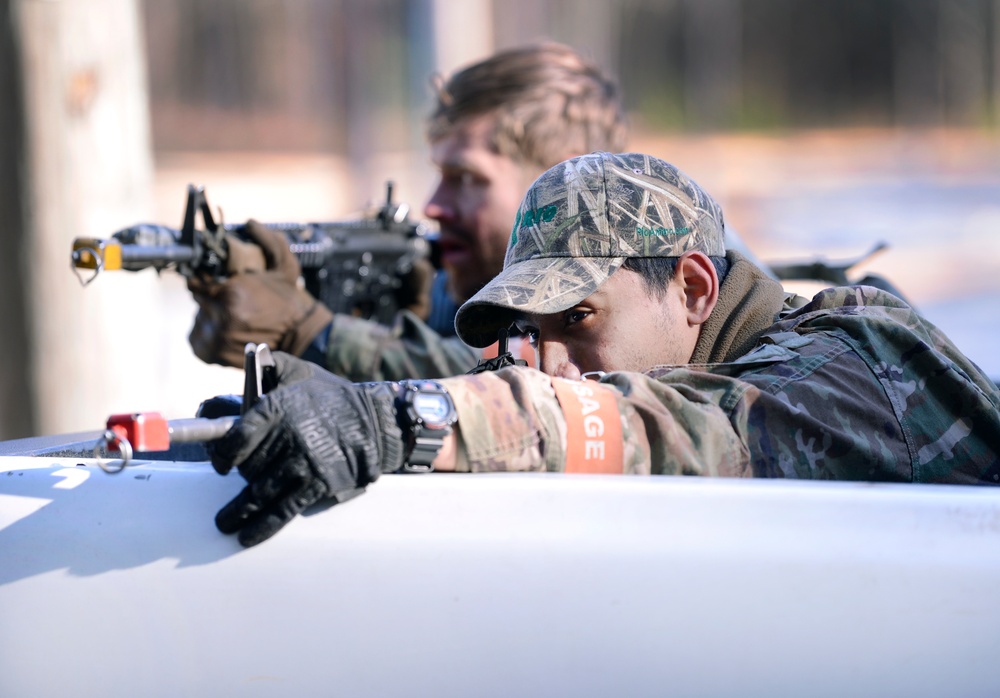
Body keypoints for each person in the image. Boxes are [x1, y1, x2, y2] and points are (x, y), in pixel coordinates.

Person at [206, 151, 1000, 547]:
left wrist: (390, 421)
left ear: (692, 289)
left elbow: (677, 425)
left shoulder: (856, 364)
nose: (551, 363)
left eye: (578, 319)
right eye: (532, 333)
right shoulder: (703, 359)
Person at [186, 42, 629, 380]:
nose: (433, 204)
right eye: (440, 174)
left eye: (468, 178)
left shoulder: (625, 297)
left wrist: (311, 331)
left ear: (562, 184)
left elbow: (506, 380)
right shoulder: (447, 284)